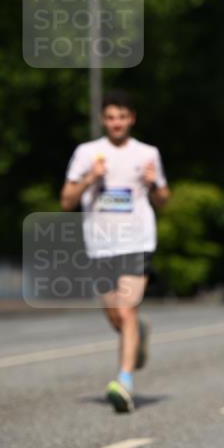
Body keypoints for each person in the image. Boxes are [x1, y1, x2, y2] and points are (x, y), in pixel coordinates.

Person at [60, 90, 170, 413]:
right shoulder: (87, 153)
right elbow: (66, 200)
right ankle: (137, 335)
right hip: (100, 244)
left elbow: (164, 200)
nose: (116, 123)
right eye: (110, 117)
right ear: (103, 120)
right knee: (114, 317)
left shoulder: (147, 153)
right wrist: (89, 180)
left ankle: (124, 382)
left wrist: (153, 184)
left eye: (122, 117)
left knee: (126, 311)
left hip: (137, 241)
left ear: (131, 118)